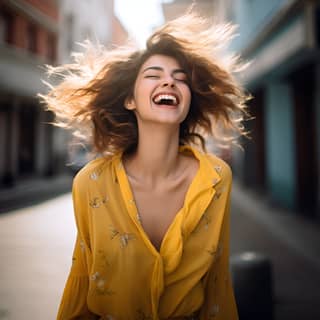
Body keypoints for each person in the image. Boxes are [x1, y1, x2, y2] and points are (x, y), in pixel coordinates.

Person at [41, 11, 249, 320]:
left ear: (188, 99)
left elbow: (218, 286)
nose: (169, 81)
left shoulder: (216, 179)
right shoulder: (90, 182)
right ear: (130, 100)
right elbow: (80, 282)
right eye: (154, 75)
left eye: (180, 79)